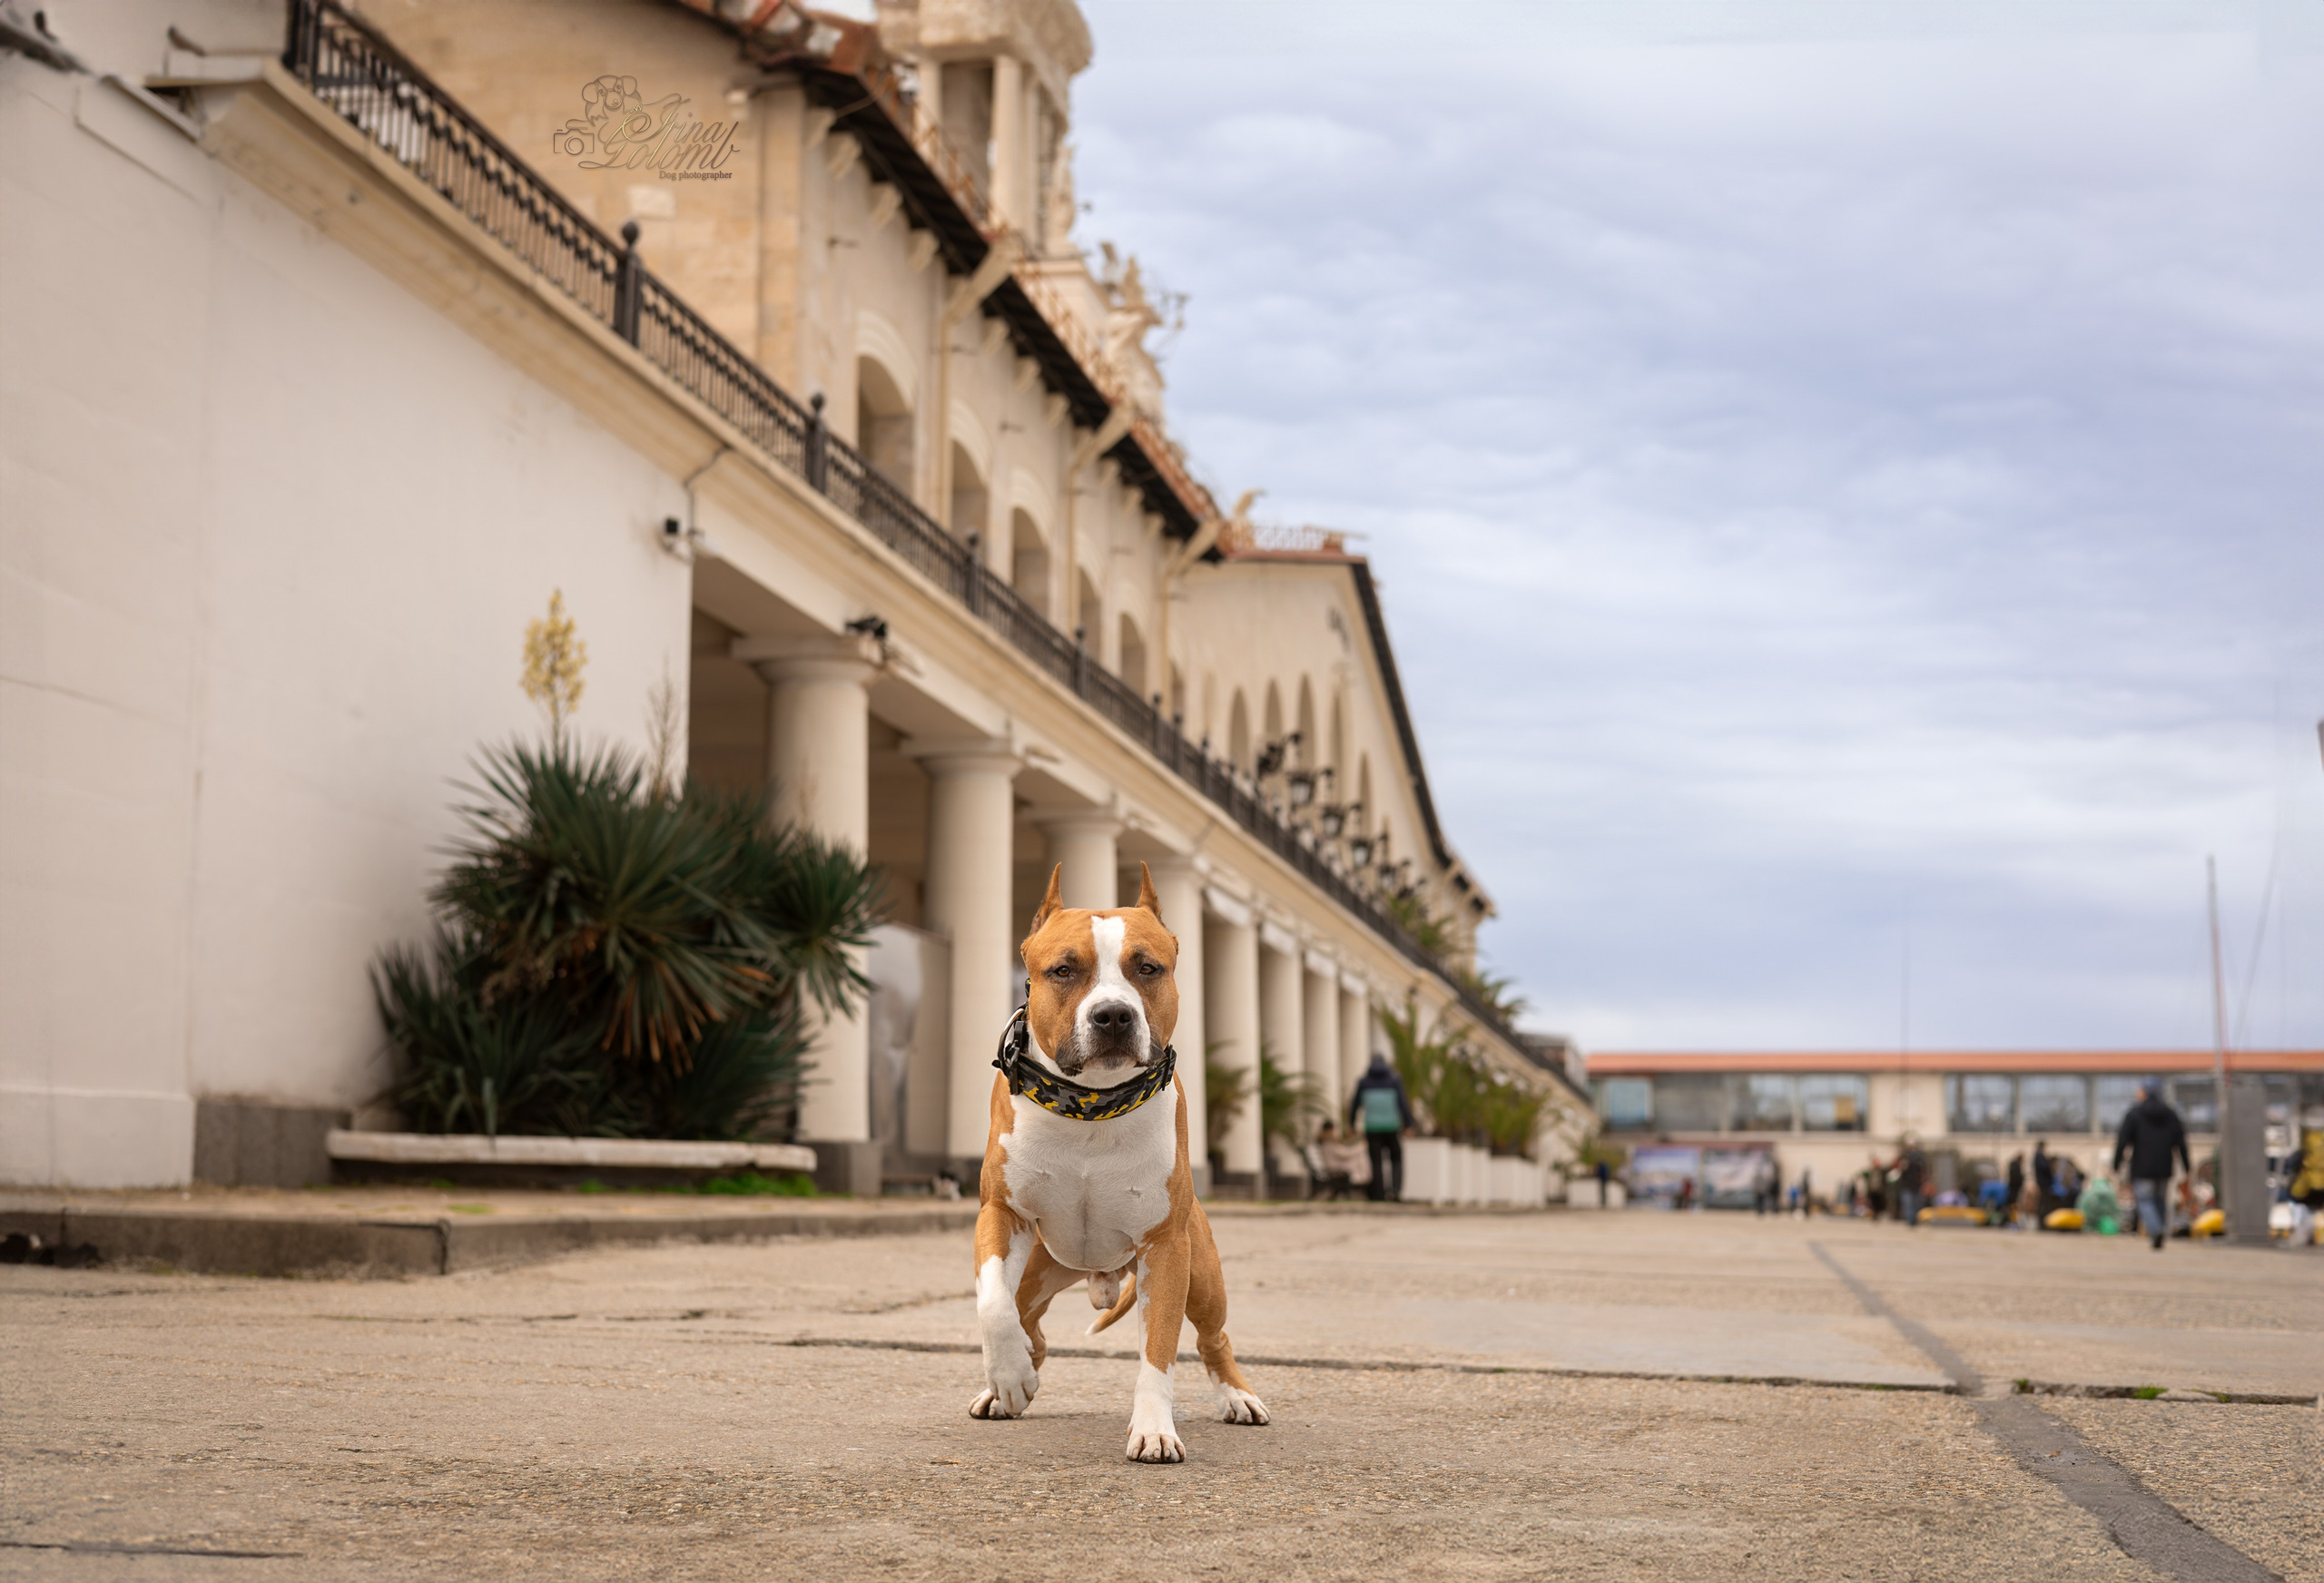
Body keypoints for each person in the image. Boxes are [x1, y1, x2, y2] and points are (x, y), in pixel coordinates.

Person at [2112, 1077, 2190, 1251]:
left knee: (2145, 1201)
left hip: (2142, 1167)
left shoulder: (2135, 1113)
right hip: (2164, 1166)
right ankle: (2160, 1229)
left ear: (2145, 1092)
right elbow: (2182, 1142)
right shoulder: (2171, 1114)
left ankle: (2156, 1230)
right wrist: (2187, 1166)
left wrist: (2116, 1164)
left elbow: (2122, 1140)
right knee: (2161, 1201)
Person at [1348, 1053, 1414, 1202]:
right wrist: (1408, 1124)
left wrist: (1351, 1125)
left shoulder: (1364, 1082)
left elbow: (1355, 1105)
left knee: (1376, 1162)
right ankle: (1395, 1191)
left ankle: (1379, 1194)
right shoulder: (1394, 1080)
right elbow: (1403, 1104)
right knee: (1396, 1160)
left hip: (1372, 1128)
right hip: (1392, 1126)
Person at [1309, 1120, 1366, 1202]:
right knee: (1358, 1161)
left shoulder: (1325, 1141)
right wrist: (1360, 1147)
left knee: (1357, 1161)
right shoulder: (1328, 1142)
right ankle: (1365, 1183)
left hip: (1331, 1165)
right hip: (1334, 1167)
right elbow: (1345, 1153)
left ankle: (1364, 1183)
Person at [1893, 1136, 1928, 1229]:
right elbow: (1896, 1168)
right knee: (1908, 1204)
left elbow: (1923, 1171)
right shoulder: (1903, 1156)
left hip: (1916, 1185)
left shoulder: (1919, 1157)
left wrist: (1925, 1182)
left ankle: (1915, 1221)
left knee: (1917, 1204)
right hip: (1906, 1185)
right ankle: (1910, 1221)